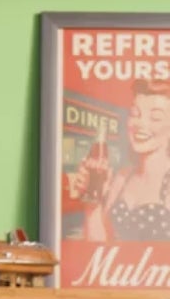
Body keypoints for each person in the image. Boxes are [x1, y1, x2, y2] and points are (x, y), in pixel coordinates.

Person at [68, 78, 170, 242]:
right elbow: (100, 244)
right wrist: (93, 204)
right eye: (135, 114)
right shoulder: (123, 176)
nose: (140, 124)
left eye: (155, 117)